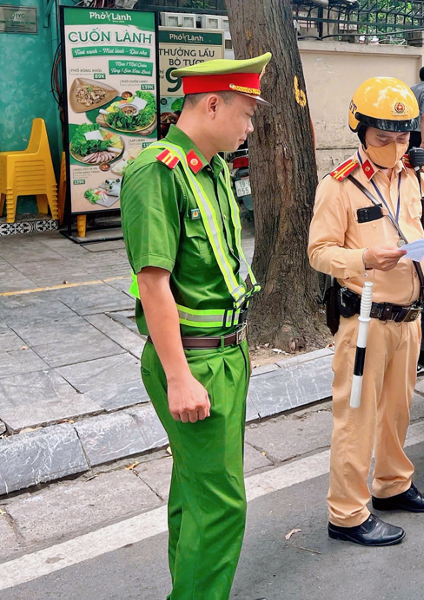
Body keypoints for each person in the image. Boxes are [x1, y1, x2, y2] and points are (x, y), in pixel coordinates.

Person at [121, 53, 270, 599]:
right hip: (194, 360)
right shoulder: (156, 173)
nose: (250, 126)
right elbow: (154, 283)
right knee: (221, 504)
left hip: (228, 354)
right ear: (213, 104)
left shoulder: (211, 172)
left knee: (194, 489)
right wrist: (179, 376)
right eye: (246, 114)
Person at [308, 76, 424, 546]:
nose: (395, 149)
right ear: (360, 132)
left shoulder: (417, 176)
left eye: (403, 138)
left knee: (398, 409)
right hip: (365, 320)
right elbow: (318, 252)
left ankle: (392, 484)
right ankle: (348, 514)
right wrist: (363, 259)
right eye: (383, 139)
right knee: (355, 417)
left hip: (410, 317)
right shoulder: (339, 187)